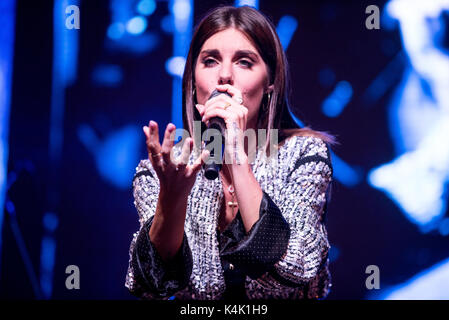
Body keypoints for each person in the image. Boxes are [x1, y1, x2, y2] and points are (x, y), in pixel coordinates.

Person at [125, 5, 334, 300]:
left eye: (244, 62)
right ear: (192, 81)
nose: (224, 75)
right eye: (210, 61)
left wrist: (235, 153)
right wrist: (171, 200)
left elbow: (294, 268)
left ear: (270, 83)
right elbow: (152, 285)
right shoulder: (162, 173)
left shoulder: (302, 155)